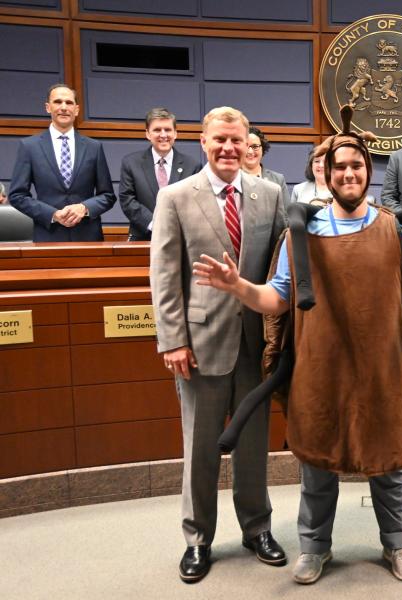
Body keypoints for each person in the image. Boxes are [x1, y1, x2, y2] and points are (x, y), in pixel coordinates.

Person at [192, 112, 402, 584]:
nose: (348, 174)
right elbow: (274, 298)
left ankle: (397, 545)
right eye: (339, 167)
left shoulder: (397, 234)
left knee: (389, 466)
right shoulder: (300, 236)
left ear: (368, 173)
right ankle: (314, 548)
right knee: (317, 466)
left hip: (386, 369)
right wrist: (237, 285)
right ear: (326, 171)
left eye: (357, 167)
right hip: (320, 370)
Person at [150, 106, 287, 584]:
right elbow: (165, 274)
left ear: (249, 143)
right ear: (204, 142)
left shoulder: (270, 194)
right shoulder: (174, 197)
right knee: (200, 448)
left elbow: (280, 264)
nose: (229, 148)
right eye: (219, 140)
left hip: (256, 344)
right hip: (199, 343)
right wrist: (172, 340)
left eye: (237, 140)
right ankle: (197, 539)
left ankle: (257, 529)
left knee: (253, 446)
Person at [9, 83, 115, 241]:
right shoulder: (29, 147)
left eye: (69, 103)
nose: (64, 107)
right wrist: (53, 214)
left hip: (88, 237)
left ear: (77, 110)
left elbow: (107, 195)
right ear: (48, 107)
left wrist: (84, 208)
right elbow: (17, 195)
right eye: (58, 102)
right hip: (48, 236)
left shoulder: (94, 147)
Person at [118, 107, 200, 241]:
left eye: (168, 130)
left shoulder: (193, 166)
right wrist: (154, 224)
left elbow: (196, 204)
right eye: (157, 130)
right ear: (148, 134)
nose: (163, 135)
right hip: (143, 238)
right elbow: (127, 200)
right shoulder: (131, 163)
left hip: (181, 239)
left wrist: (173, 226)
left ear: (175, 133)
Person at [241, 126, 291, 207]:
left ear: (262, 149)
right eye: (246, 146)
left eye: (255, 147)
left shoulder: (278, 179)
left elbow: (287, 213)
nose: (250, 151)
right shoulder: (230, 178)